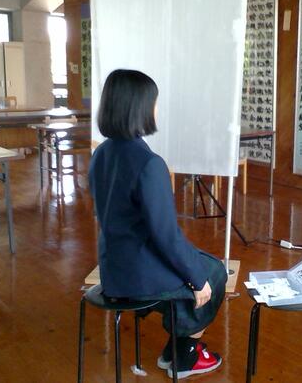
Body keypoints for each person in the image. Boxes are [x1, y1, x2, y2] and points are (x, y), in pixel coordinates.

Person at [88, 69, 227, 379]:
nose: (157, 108)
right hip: (139, 274)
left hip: (113, 267)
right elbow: (165, 236)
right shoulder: (149, 163)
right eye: (154, 102)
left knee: (199, 264)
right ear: (139, 107)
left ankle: (175, 348)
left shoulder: (101, 154)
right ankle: (185, 355)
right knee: (214, 273)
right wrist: (197, 278)